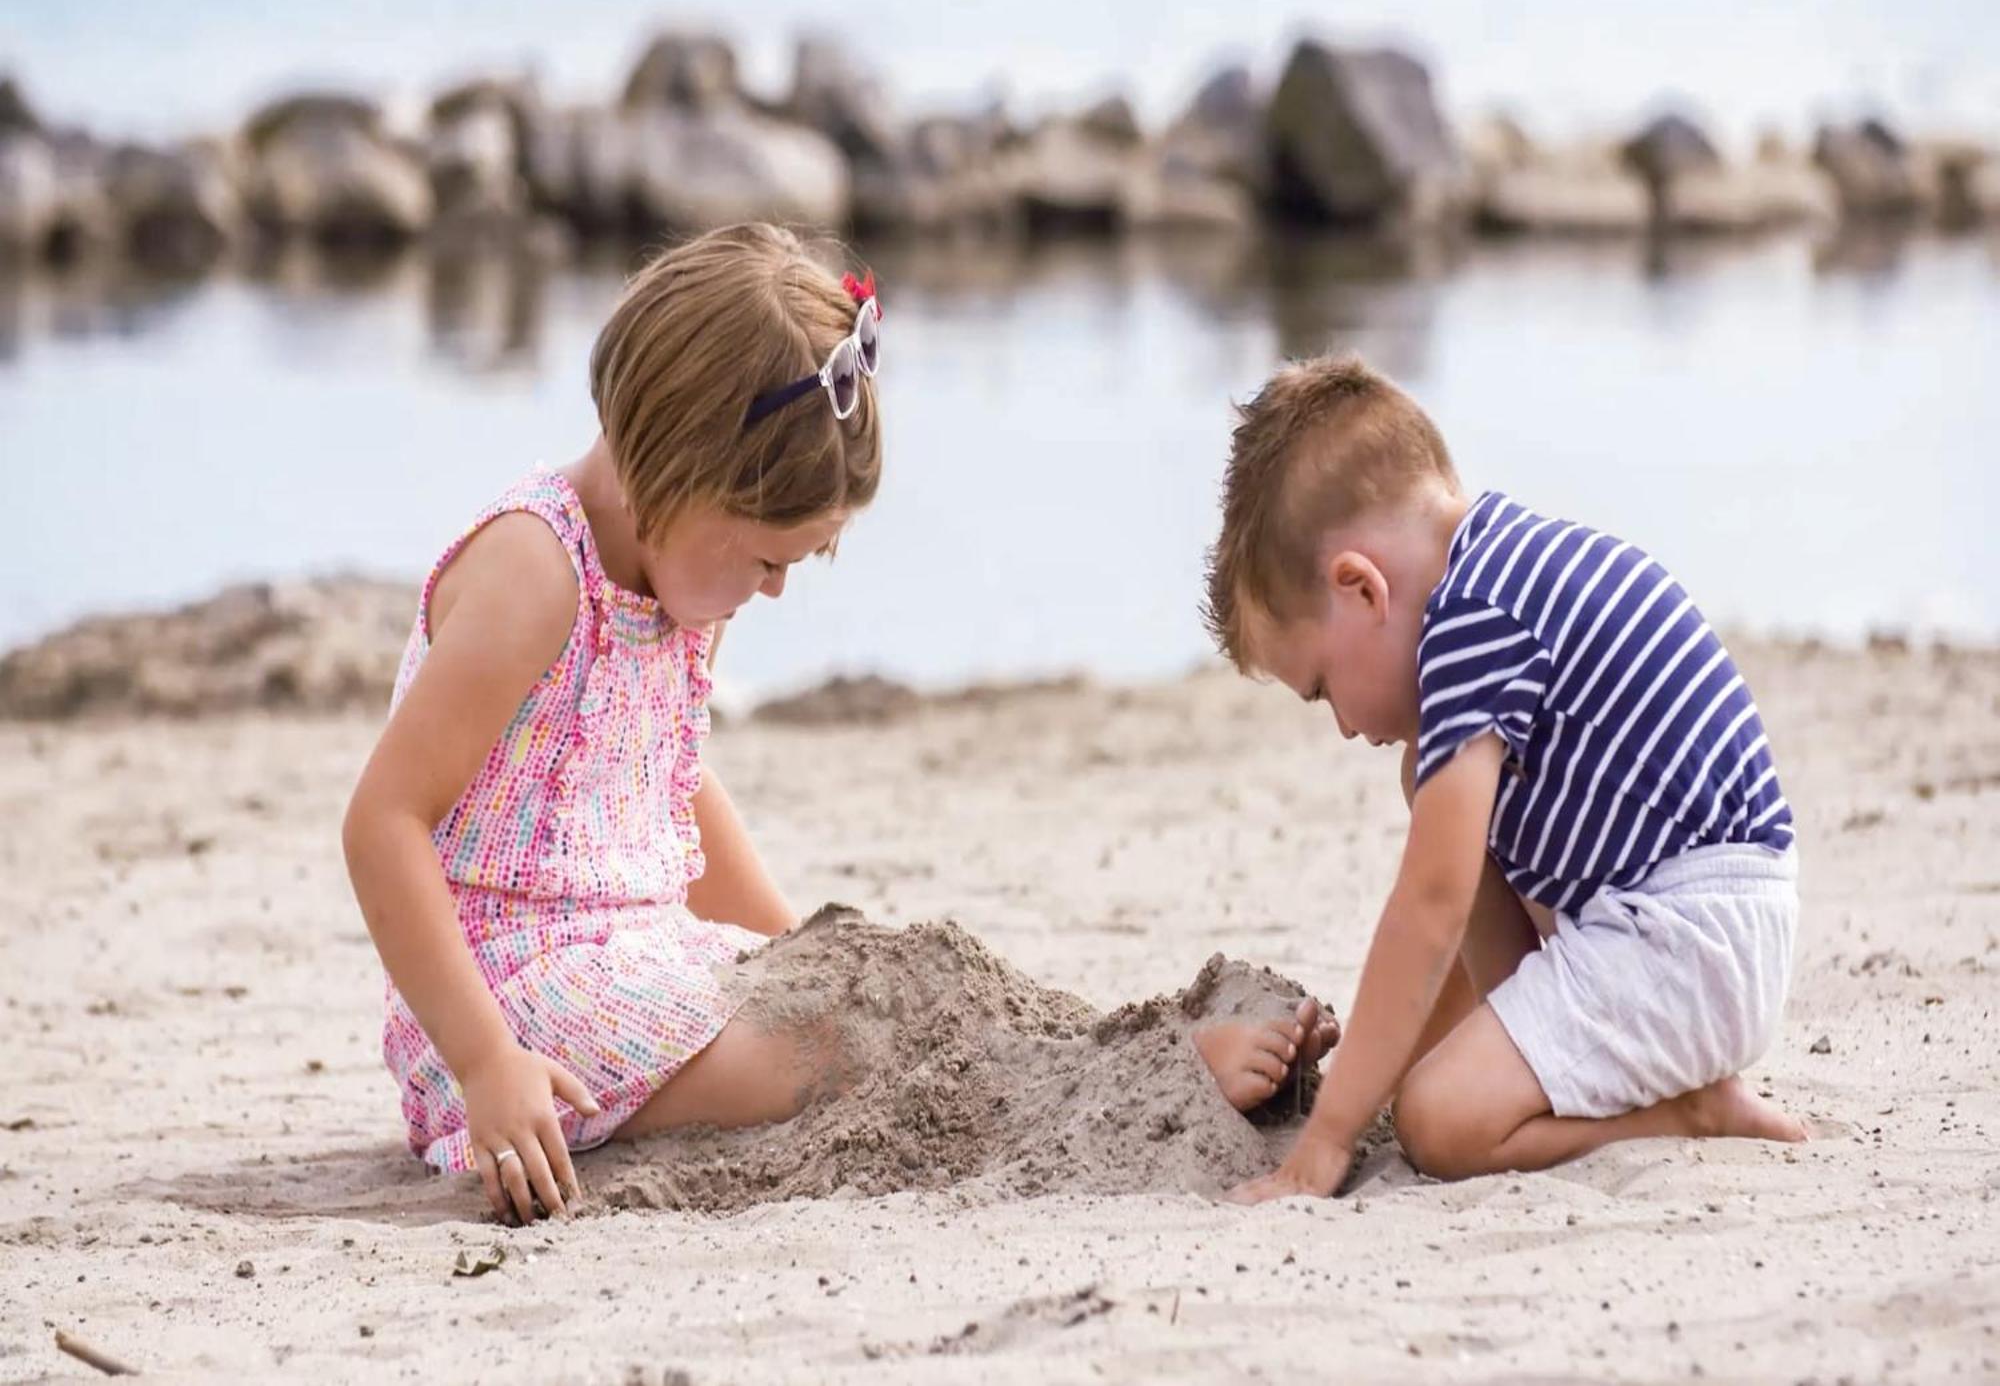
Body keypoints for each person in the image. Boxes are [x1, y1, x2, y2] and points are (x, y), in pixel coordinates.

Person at [343, 223, 1322, 1226]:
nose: (769, 592)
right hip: (513, 1008)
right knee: (840, 1047)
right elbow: (383, 823)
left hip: (630, 957)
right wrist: (485, 1062)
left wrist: (797, 949)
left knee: (899, 979)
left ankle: (1123, 1047)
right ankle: (1132, 1085)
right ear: (674, 476)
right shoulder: (533, 577)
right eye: (769, 559)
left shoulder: (684, 585)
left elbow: (673, 783)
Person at [1202, 355, 1806, 1203]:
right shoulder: (1503, 567)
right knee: (1430, 779)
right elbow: (1455, 924)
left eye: (1324, 687)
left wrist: (1328, 1142)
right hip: (1712, 919)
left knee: (1439, 1124)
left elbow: (1432, 904)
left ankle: (1691, 1113)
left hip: (1686, 938)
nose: (1342, 724)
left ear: (1360, 588)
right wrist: (1388, 1065)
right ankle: (1544, 1062)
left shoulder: (1470, 628)